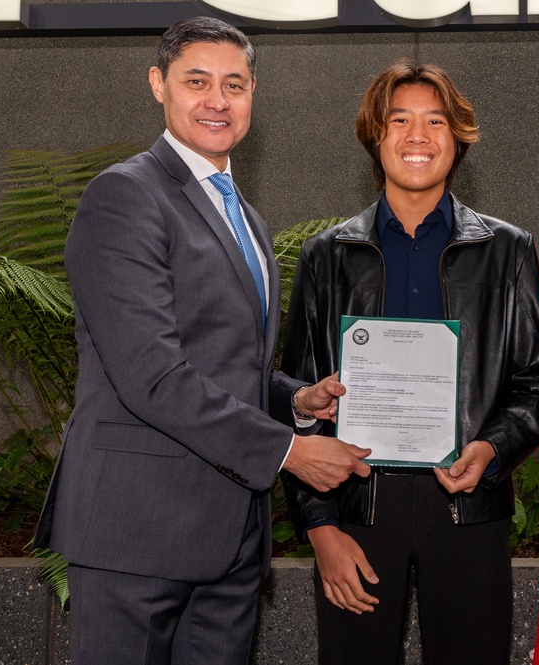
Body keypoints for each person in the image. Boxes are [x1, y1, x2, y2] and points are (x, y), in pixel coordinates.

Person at [33, 17, 371, 664]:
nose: (218, 100)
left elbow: (224, 363)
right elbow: (150, 372)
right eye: (197, 81)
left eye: (234, 84)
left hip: (231, 542)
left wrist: (296, 401)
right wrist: (289, 451)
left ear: (252, 95)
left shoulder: (241, 212)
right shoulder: (124, 197)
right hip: (136, 535)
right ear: (158, 84)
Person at [279, 61, 539, 665]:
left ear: (457, 137)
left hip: (466, 504)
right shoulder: (326, 257)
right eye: (399, 120)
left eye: (435, 121)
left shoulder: (507, 250)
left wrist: (491, 450)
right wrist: (320, 528)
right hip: (356, 504)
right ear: (374, 137)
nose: (417, 136)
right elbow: (293, 400)